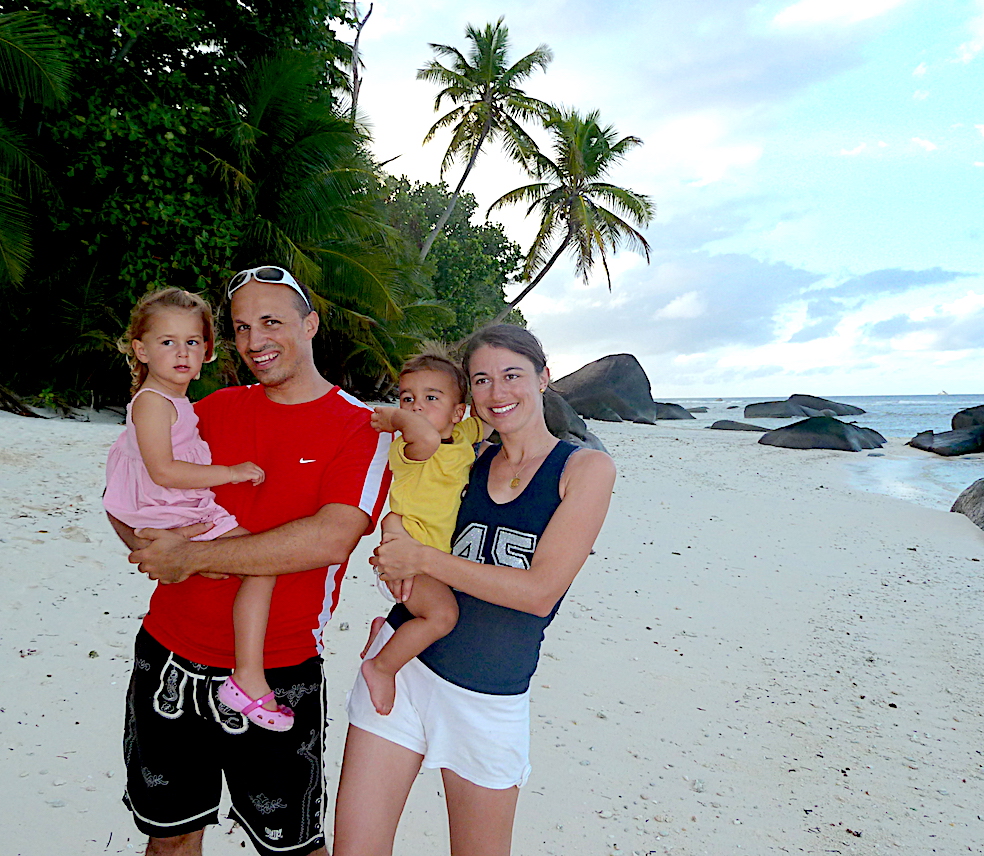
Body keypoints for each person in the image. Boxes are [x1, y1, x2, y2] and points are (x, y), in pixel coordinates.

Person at [110, 266, 390, 856]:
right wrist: (144, 544)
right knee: (169, 841)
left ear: (310, 324)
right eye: (241, 328)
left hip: (277, 673)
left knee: (292, 849)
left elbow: (330, 538)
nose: (255, 340)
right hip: (169, 657)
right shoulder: (212, 408)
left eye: (271, 322)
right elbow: (133, 483)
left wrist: (193, 554)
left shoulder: (359, 428)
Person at [333, 324, 616, 856]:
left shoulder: (583, 469)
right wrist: (395, 539)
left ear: (544, 378)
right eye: (482, 380)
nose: (497, 392)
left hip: (488, 697)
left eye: (512, 375)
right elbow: (409, 499)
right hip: (404, 671)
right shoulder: (466, 456)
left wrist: (420, 558)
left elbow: (538, 593)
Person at [103, 287, 292, 732]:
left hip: (176, 508)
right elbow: (164, 471)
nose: (181, 352)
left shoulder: (176, 402)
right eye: (167, 342)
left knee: (245, 563)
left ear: (206, 350)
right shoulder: (152, 404)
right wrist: (231, 473)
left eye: (192, 342)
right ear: (140, 349)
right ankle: (247, 677)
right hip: (169, 507)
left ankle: (242, 667)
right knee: (260, 563)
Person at [360, 350, 480, 715]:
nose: (416, 406)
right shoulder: (409, 448)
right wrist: (396, 418)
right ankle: (381, 667)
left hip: (429, 559)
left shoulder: (462, 435)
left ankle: (384, 633)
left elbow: (486, 422)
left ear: (457, 412)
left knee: (434, 611)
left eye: (431, 398)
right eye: (407, 398)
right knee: (443, 617)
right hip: (406, 561)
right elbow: (426, 438)